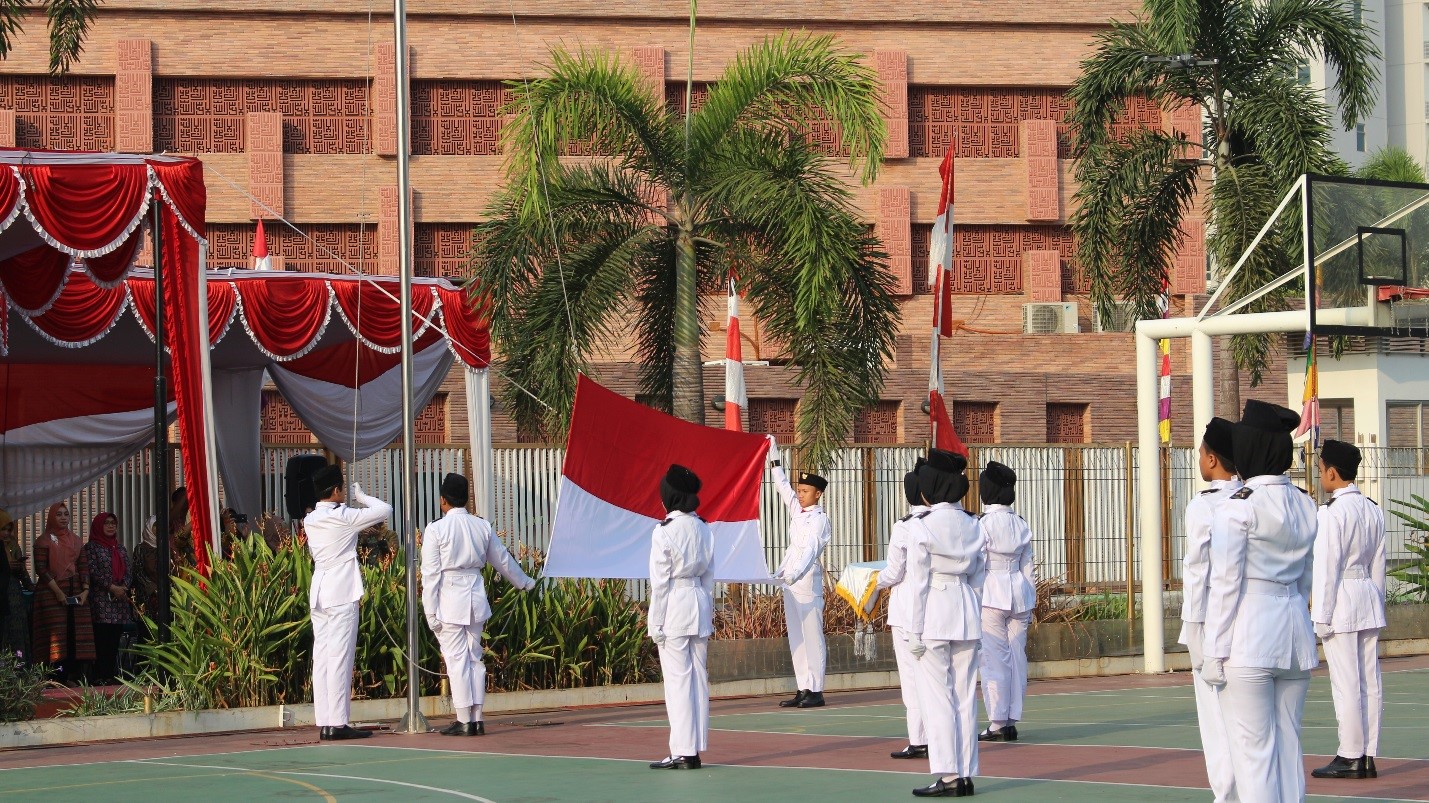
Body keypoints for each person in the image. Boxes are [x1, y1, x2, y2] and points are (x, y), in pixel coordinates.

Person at [1201, 400, 1318, 802]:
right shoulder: (1305, 503)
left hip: (1249, 638)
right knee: (1288, 746)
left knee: (1253, 754)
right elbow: (1305, 580)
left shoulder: (1238, 508)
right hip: (1294, 636)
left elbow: (1226, 584)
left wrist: (1214, 650)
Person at [421, 472, 535, 736]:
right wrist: (524, 582)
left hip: (449, 598)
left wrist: (429, 610)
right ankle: (477, 717)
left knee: (456, 659)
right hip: (475, 595)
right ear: (465, 499)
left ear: (443, 501)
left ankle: (463, 719)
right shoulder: (481, 526)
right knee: (475, 658)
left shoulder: (436, 529)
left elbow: (430, 575)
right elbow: (502, 560)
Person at [907, 448, 985, 798]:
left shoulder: (922, 527)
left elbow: (918, 583)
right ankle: (966, 774)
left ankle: (949, 775)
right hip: (966, 608)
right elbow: (979, 577)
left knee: (937, 698)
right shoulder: (973, 523)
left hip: (934, 614)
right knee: (966, 697)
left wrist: (913, 630)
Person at [1310, 439, 1386, 781]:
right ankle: (1368, 753)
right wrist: (1378, 605)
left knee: (1346, 682)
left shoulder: (1331, 513)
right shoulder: (1372, 509)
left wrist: (1320, 616)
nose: (1319, 475)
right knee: (1369, 681)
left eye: (1321, 469)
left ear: (1332, 472)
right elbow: (1379, 566)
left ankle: (1350, 754)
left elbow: (1326, 568)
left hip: (1341, 600)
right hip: (1367, 597)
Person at [1177, 417, 1242, 803]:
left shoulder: (1204, 505)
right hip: (1246, 616)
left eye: (1202, 453)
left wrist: (1192, 624)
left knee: (1214, 714)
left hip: (1208, 616)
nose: (1200, 458)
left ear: (1213, 460)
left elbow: (1196, 568)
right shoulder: (1250, 498)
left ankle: (1225, 793)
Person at [303, 464, 391, 741]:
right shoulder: (343, 516)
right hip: (340, 593)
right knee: (340, 657)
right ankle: (338, 723)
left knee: (323, 658)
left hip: (319, 592)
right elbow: (385, 510)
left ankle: (326, 721)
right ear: (337, 490)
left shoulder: (311, 519)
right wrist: (362, 496)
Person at [647, 465, 716, 770]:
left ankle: (682, 751)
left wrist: (655, 621)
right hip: (699, 601)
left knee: (678, 681)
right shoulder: (704, 527)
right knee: (698, 678)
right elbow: (710, 577)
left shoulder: (664, 531)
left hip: (675, 604)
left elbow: (660, 583)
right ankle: (695, 748)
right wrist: (710, 612)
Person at [766, 434, 832, 709]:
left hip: (806, 584)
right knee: (796, 636)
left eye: (805, 491)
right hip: (790, 583)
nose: (800, 494)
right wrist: (773, 455)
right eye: (800, 490)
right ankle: (803, 686)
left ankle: (816, 689)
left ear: (817, 493)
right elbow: (781, 486)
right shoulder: (798, 513)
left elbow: (810, 552)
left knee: (812, 636)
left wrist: (795, 574)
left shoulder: (820, 520)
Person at [976, 461, 1035, 744]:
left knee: (993, 659)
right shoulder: (1021, 522)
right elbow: (1028, 567)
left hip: (991, 593)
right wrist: (1030, 599)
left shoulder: (982, 524)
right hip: (1020, 592)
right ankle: (1012, 720)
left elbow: (977, 566)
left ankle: (997, 721)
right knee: (1016, 658)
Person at [874, 459, 930, 760]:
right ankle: (936, 736)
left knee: (911, 678)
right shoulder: (952, 521)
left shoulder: (905, 526)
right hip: (939, 608)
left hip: (908, 608)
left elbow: (894, 573)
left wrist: (871, 581)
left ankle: (919, 738)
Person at [31, 503, 95, 682]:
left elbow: (83, 566)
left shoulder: (76, 540)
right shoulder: (43, 541)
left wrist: (85, 591)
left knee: (75, 634)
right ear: (52, 517)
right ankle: (53, 679)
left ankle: (72, 676)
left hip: (76, 593)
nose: (63, 517)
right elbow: (41, 570)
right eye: (58, 514)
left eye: (66, 514)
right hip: (51, 593)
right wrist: (58, 592)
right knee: (55, 638)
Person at [82, 513, 134, 682]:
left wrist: (123, 587)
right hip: (101, 600)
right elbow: (92, 571)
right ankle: (99, 676)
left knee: (114, 639)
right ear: (98, 526)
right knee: (101, 639)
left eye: (113, 523)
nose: (111, 526)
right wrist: (111, 587)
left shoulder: (120, 548)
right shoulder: (91, 548)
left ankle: (110, 675)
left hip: (118, 601)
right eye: (107, 524)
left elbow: (128, 570)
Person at [0, 509, 32, 658]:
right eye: (2, 529)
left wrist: (18, 568)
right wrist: (6, 566)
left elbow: (23, 575)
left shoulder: (13, 545)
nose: (6, 533)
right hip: (2, 593)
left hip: (14, 595)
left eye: (8, 529)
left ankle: (19, 673)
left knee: (16, 632)